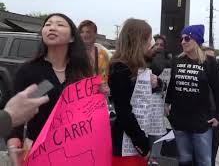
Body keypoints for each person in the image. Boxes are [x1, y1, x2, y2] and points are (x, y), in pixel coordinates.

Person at [6, 13, 93, 166]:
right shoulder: (30, 71)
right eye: (47, 25)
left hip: (75, 150)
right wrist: (14, 145)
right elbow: (18, 114)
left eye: (60, 25)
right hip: (38, 149)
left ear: (72, 38)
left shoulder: (80, 72)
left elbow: (88, 113)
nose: (52, 27)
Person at [165, 25, 219, 166]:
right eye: (182, 39)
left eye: (187, 38)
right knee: (184, 159)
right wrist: (167, 103)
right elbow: (172, 85)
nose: (183, 42)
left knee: (204, 161)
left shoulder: (209, 63)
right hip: (179, 119)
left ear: (196, 40)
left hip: (201, 121)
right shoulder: (177, 61)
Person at [108, 18, 158, 166]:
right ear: (138, 40)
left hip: (137, 134)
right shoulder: (120, 68)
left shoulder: (138, 65)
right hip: (125, 142)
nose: (151, 43)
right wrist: (142, 144)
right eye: (149, 39)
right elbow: (124, 112)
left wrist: (157, 83)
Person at [201, 46, 219, 166]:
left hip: (214, 119)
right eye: (206, 57)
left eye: (212, 57)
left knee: (211, 153)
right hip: (200, 118)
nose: (209, 60)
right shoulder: (198, 74)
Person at [78, 20, 110, 92]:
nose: (85, 34)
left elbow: (104, 77)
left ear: (95, 34)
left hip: (96, 94)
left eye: (88, 32)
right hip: (78, 93)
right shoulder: (73, 52)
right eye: (82, 32)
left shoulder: (102, 53)